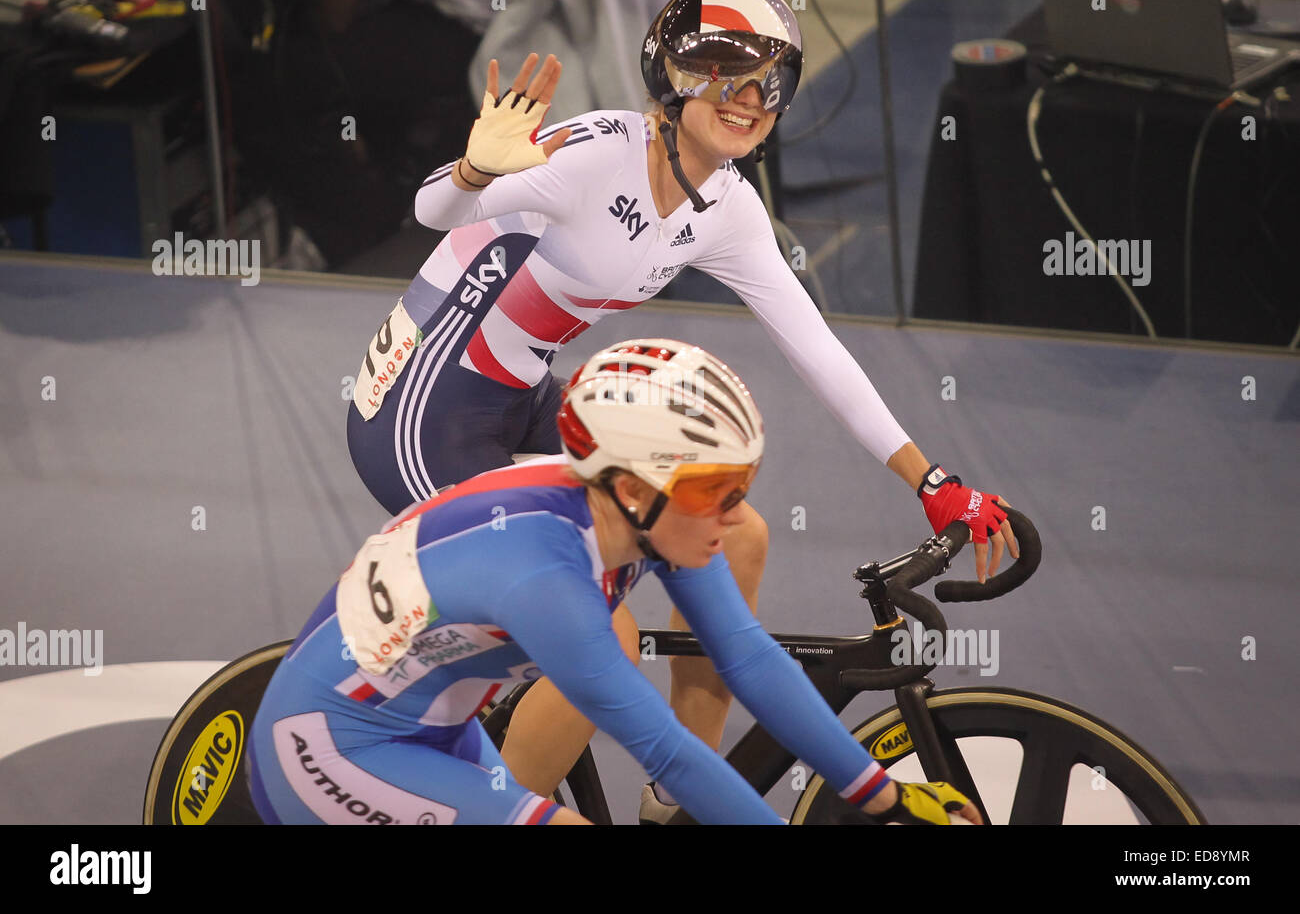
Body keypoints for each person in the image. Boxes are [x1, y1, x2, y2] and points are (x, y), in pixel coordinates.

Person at [344, 0, 1016, 819]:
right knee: (607, 641)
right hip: (421, 409)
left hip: (520, 400)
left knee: (735, 534)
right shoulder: (595, 157)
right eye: (724, 75)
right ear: (672, 78)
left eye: (770, 81)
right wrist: (477, 167)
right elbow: (432, 207)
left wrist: (930, 479)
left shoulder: (725, 208)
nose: (747, 99)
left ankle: (677, 800)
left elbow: (817, 347)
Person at [249, 339, 983, 824]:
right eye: (714, 488)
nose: (733, 512)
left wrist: (885, 799)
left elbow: (748, 657)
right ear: (635, 490)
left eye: (741, 482)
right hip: (330, 748)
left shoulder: (636, 510)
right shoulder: (543, 576)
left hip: (431, 726)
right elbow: (668, 754)